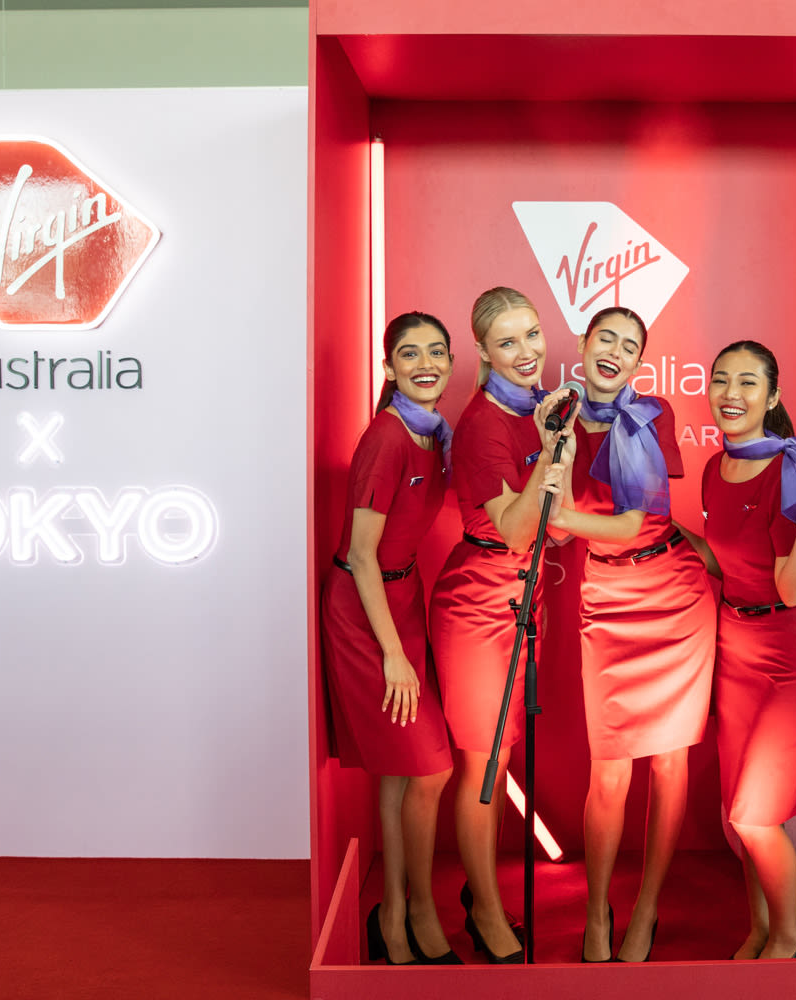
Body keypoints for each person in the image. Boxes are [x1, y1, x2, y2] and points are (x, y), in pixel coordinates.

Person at [536, 307, 716, 963]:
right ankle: (596, 914)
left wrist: (566, 510)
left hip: (674, 595)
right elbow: (554, 534)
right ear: (583, 346)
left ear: (641, 362)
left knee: (670, 764)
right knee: (609, 774)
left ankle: (646, 911)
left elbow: (638, 515)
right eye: (605, 338)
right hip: (607, 598)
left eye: (630, 345)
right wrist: (552, 449)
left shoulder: (652, 415)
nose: (615, 351)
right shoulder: (556, 422)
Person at [684, 339, 796, 961]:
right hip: (736, 651)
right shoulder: (712, 466)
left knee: (759, 816)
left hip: (785, 656)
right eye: (721, 380)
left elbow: (790, 588)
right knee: (743, 814)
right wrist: (662, 532)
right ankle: (759, 928)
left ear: (772, 397)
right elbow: (726, 563)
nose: (731, 394)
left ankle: (790, 937)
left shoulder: (792, 469)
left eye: (748, 383)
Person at [428, 287, 574, 964]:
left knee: (501, 755)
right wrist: (551, 452)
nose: (526, 352)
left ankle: (482, 895)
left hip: (521, 600)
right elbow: (516, 533)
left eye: (533, 335)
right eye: (507, 342)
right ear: (482, 353)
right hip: (479, 603)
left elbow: (550, 523)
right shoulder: (486, 424)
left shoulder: (539, 409)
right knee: (483, 765)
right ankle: (485, 910)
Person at [319, 312, 462, 966]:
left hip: (404, 596)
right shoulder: (388, 438)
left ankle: (396, 916)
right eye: (410, 353)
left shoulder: (436, 435)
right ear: (389, 368)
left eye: (436, 351)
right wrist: (396, 656)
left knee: (401, 774)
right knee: (430, 768)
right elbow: (365, 555)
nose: (425, 362)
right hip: (364, 606)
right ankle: (415, 909)